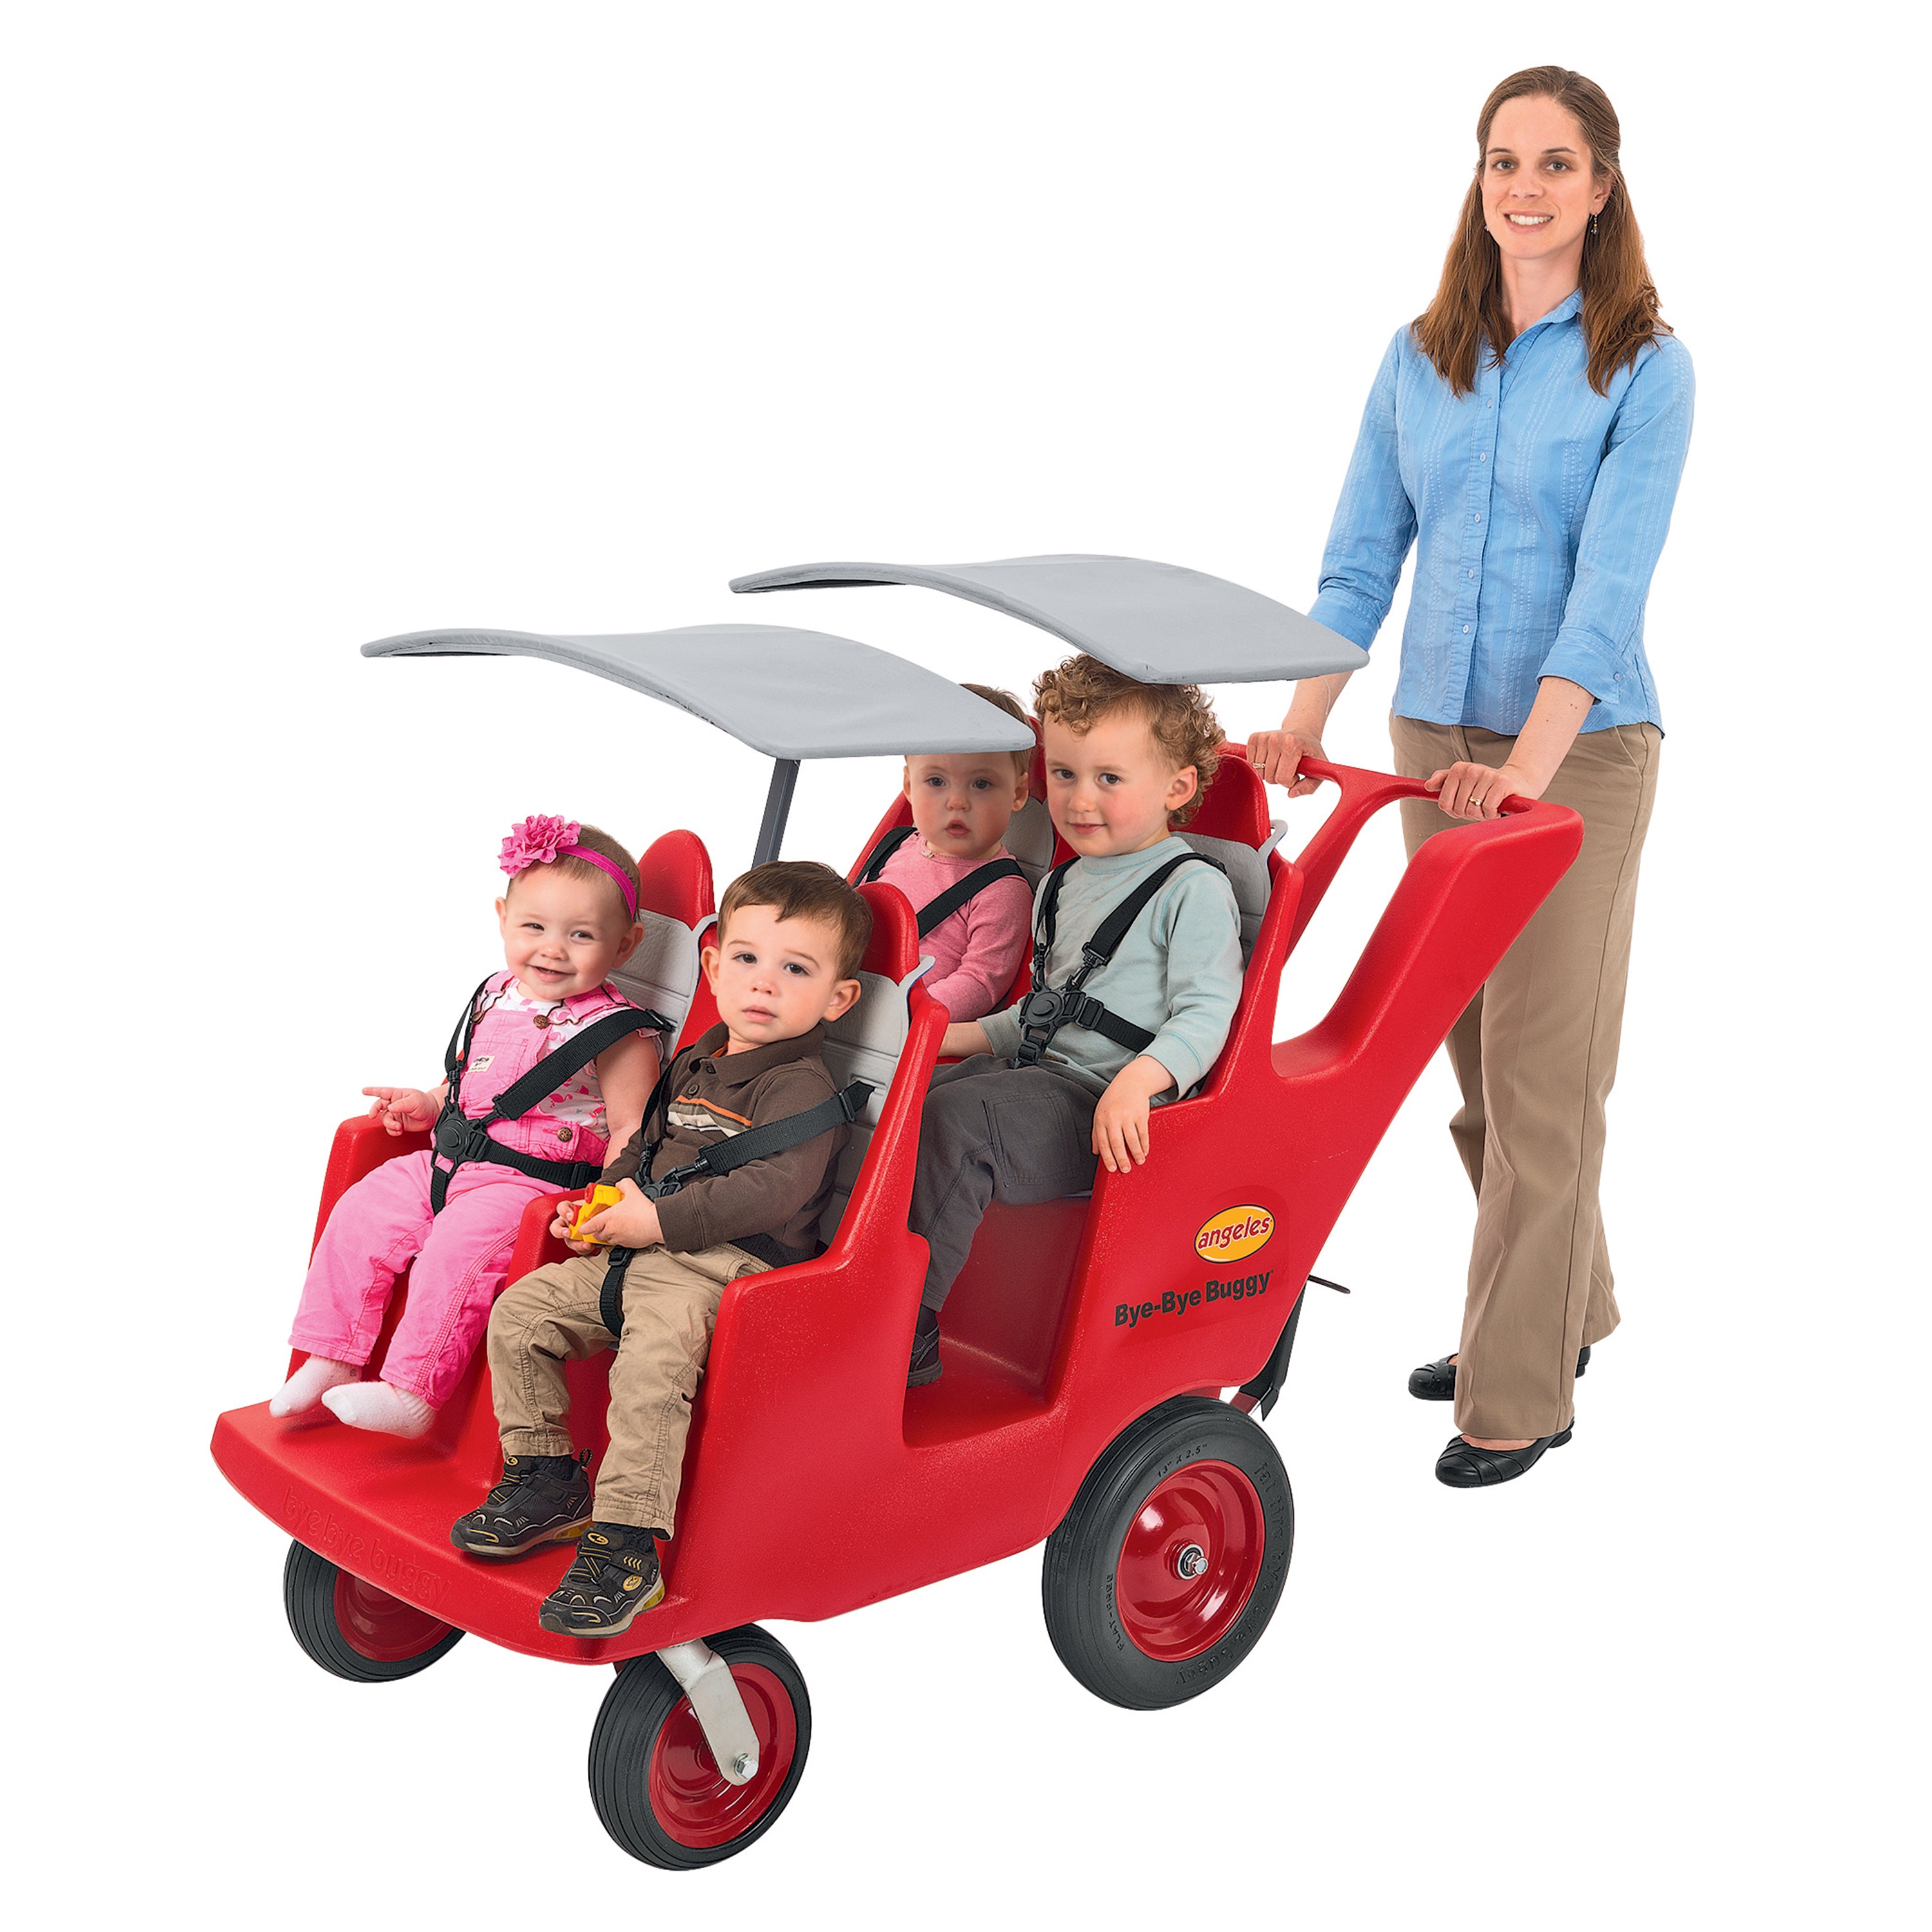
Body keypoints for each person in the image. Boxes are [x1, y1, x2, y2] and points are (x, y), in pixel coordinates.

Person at [1249, 66, 1694, 1487]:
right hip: (1435, 747)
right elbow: (1359, 561)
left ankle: (1519, 1392)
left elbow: (1604, 598)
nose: (1526, 188)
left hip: (1581, 755)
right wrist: (1300, 728)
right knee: (1472, 1069)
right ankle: (1569, 1305)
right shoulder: (1420, 354)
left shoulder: (1646, 366)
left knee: (1544, 1074)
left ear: (1603, 185)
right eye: (1505, 161)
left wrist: (1531, 779)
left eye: (1557, 164)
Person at [449, 859, 869, 1636]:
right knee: (521, 1313)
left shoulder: (801, 1089)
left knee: (650, 1367)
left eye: (795, 969)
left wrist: (657, 1225)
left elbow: (769, 1194)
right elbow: (641, 1144)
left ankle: (628, 1544)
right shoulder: (699, 1057)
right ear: (713, 965)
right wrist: (601, 1205)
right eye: (745, 959)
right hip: (640, 1252)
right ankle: (545, 1477)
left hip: (729, 1269)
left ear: (839, 998)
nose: (763, 984)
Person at [905, 654, 1243, 1387]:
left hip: (1109, 1111)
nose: (1080, 800)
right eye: (1064, 774)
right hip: (1041, 1077)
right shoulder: (1060, 883)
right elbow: (1042, 1011)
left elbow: (1207, 1011)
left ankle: (907, 1325)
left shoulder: (1192, 889)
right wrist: (940, 1036)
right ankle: (861, 1273)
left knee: (957, 1121)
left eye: (1109, 779)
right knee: (914, 1102)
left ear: (1177, 787)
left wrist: (1138, 1084)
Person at [269, 817, 658, 1438]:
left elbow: (630, 1129)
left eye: (581, 935)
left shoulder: (619, 1031)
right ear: (503, 917)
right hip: (452, 1159)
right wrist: (429, 1102)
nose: (552, 950)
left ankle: (413, 1394)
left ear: (625, 944)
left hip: (530, 1186)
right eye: (534, 927)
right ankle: (332, 1357)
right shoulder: (495, 993)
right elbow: (473, 1081)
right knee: (363, 1209)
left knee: (458, 1250)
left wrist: (605, 1205)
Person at [857, 682, 1036, 1021]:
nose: (957, 802)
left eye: (981, 784)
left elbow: (981, 981)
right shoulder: (895, 846)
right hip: (839, 999)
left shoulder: (1002, 889)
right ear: (909, 786)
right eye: (936, 781)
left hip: (904, 1030)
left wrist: (906, 1016)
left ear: (1017, 792)